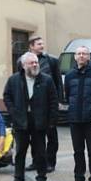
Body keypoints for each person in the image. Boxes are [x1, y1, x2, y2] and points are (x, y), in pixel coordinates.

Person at [4, 52, 58, 181]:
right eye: (31, 63)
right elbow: (7, 96)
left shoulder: (46, 80)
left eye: (36, 62)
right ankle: (18, 178)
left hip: (39, 121)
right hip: (21, 120)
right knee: (20, 151)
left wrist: (51, 121)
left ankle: (41, 177)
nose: (35, 65)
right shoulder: (14, 80)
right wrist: (13, 112)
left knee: (40, 151)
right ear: (23, 65)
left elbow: (53, 101)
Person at [64, 45, 91, 181]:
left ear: (89, 56)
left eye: (84, 53)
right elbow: (67, 95)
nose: (81, 56)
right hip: (75, 119)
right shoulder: (69, 75)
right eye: (78, 53)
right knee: (77, 151)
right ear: (75, 57)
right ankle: (78, 180)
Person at [26, 37, 62, 172]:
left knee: (51, 135)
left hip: (48, 104)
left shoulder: (51, 60)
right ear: (31, 46)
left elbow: (58, 82)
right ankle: (36, 161)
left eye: (42, 43)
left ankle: (50, 162)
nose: (42, 46)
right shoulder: (23, 61)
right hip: (32, 105)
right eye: (39, 44)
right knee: (34, 136)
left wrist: (58, 101)